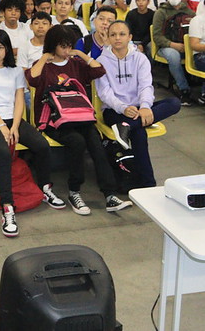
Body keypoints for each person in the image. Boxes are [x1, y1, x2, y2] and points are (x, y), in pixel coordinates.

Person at [26, 26, 131, 214]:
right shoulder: (44, 65)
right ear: (53, 45)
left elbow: (99, 70)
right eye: (63, 46)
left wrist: (80, 54)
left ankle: (109, 195)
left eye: (69, 46)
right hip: (53, 121)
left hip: (79, 118)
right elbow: (32, 79)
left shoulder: (75, 64)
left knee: (95, 142)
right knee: (77, 141)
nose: (67, 50)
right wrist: (44, 57)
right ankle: (74, 192)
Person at [0, 30, 60, 237]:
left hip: (13, 119)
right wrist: (2, 126)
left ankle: (44, 187)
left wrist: (15, 125)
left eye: (0, 47)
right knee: (3, 153)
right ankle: (7, 206)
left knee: (41, 145)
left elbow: (19, 100)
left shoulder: (15, 71)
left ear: (7, 49)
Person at [96, 21, 181, 188]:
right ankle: (149, 184)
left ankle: (127, 126)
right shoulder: (101, 61)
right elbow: (104, 93)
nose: (117, 38)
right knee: (139, 134)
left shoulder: (140, 59)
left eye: (122, 34)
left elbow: (145, 86)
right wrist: (123, 108)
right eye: (113, 35)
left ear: (130, 37)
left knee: (174, 103)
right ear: (108, 38)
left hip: (138, 109)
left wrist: (145, 107)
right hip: (114, 111)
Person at [152, 0, 195, 105]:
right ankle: (184, 89)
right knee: (173, 56)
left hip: (186, 45)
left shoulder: (189, 12)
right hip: (166, 46)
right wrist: (173, 45)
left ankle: (204, 92)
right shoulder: (161, 12)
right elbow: (157, 36)